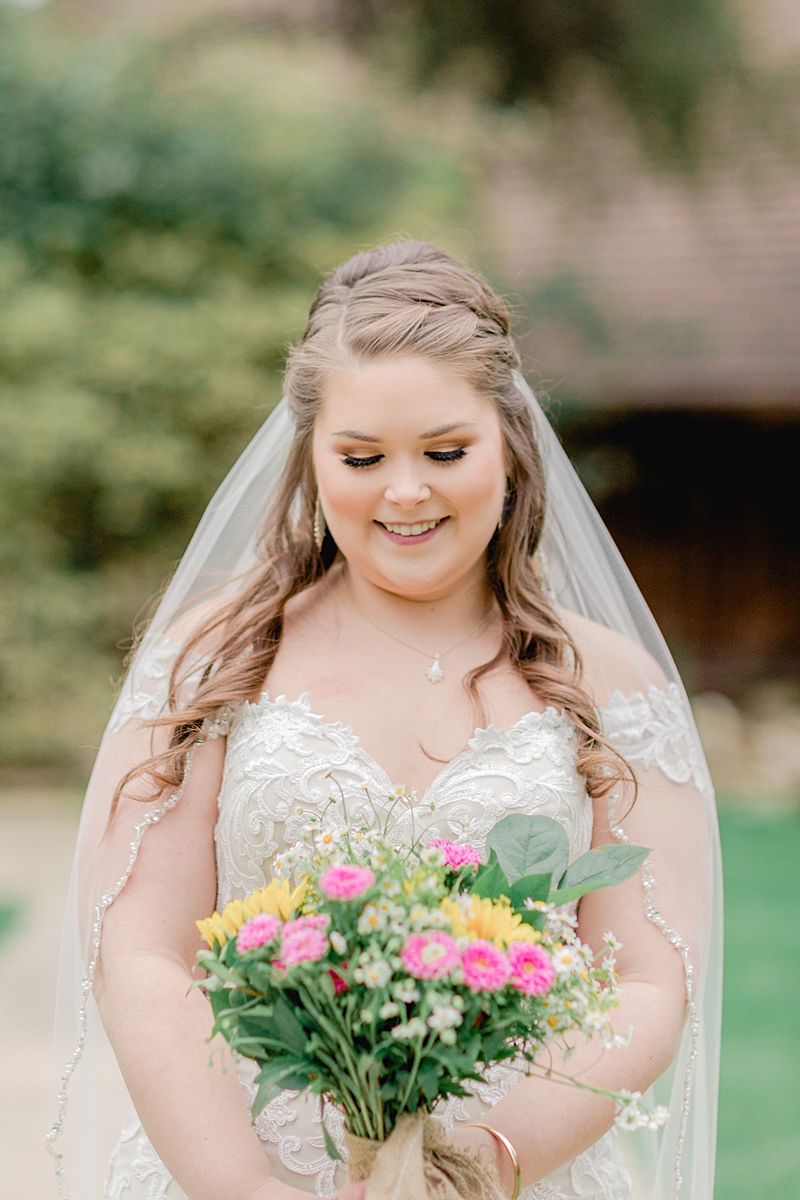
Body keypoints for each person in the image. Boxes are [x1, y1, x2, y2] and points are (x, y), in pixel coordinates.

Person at [47, 242, 721, 1200]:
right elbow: (141, 949)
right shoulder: (218, 657)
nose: (406, 492)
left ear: (509, 444)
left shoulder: (607, 685)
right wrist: (246, 1191)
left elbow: (649, 982)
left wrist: (481, 1164)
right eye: (362, 458)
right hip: (236, 1168)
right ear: (313, 456)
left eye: (446, 452)